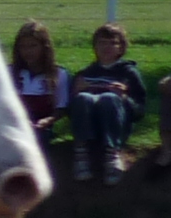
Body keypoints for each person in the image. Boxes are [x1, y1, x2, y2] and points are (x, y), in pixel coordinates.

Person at [67, 22, 148, 185]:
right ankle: (82, 153)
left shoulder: (128, 73)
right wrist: (75, 92)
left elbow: (140, 111)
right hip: (90, 126)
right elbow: (69, 110)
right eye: (102, 42)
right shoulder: (85, 73)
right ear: (95, 46)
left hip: (116, 127)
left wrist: (124, 97)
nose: (107, 47)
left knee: (109, 98)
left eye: (113, 43)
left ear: (121, 47)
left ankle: (113, 154)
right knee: (84, 98)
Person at [11, 20, 71, 138]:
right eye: (23, 46)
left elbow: (61, 110)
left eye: (33, 46)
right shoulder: (10, 72)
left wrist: (47, 121)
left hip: (43, 127)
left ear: (44, 47)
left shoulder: (59, 74)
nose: (28, 51)